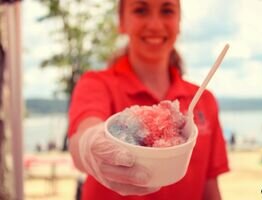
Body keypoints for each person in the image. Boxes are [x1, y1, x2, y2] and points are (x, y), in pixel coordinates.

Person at [68, 0, 229, 199]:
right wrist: (88, 146)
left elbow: (210, 188)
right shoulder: (96, 83)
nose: (154, 25)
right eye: (141, 10)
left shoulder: (204, 100)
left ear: (179, 21)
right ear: (121, 22)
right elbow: (82, 134)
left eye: (167, 10)